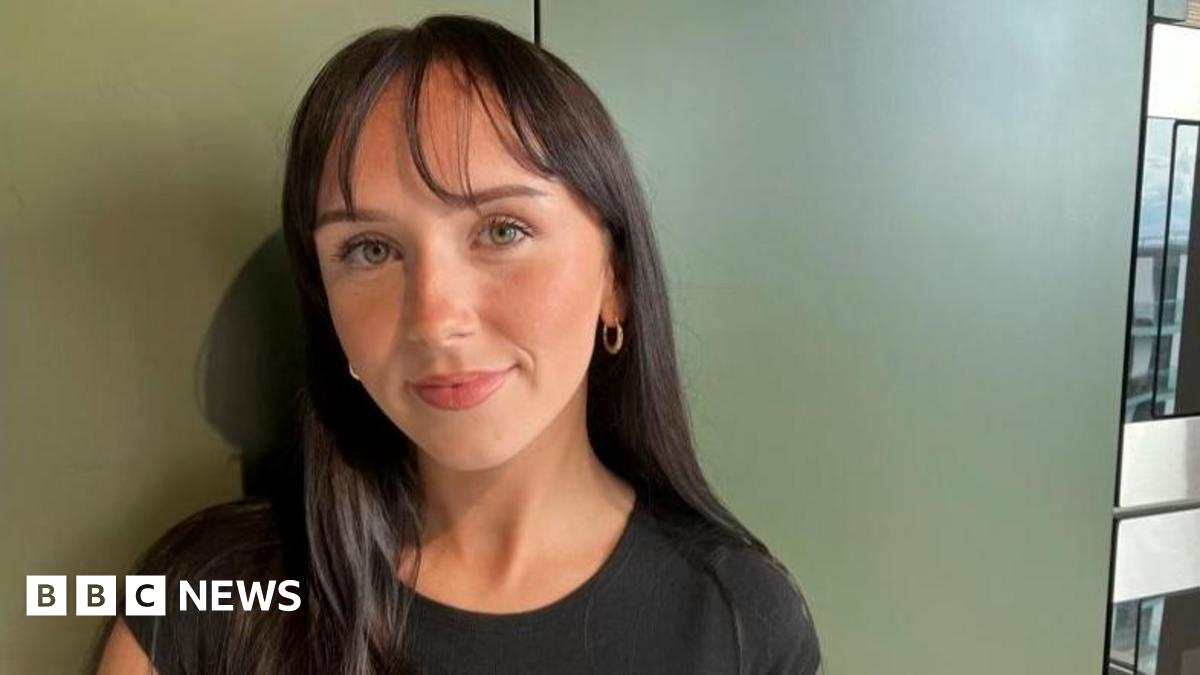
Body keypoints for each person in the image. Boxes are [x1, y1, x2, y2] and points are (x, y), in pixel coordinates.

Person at [90, 14, 822, 674]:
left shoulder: (736, 620)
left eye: (502, 230)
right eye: (370, 249)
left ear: (616, 280)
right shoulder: (210, 600)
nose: (435, 319)